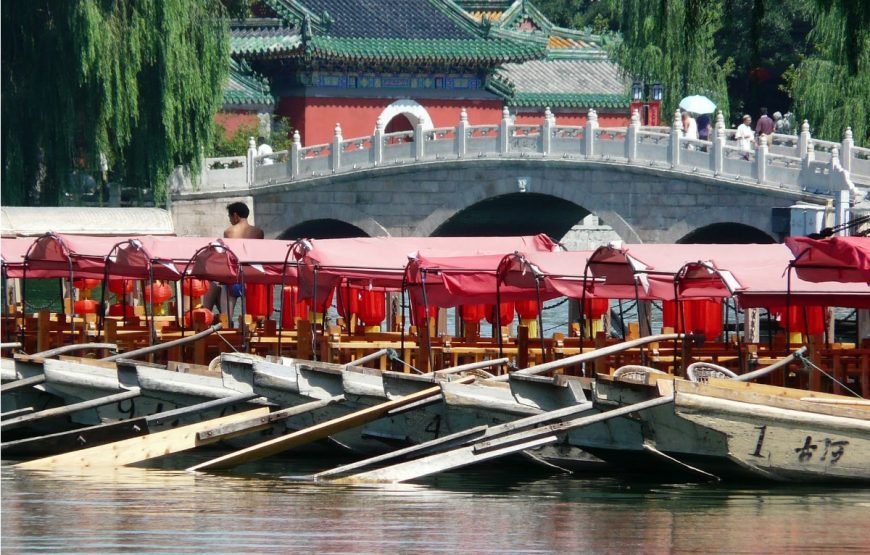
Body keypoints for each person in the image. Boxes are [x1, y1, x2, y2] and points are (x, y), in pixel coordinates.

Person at [202, 202, 265, 322]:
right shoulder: (259, 232)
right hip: (252, 278)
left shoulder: (229, 232)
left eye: (230, 217)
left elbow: (229, 256)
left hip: (234, 277)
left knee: (227, 315)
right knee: (253, 317)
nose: (230, 220)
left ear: (235, 216)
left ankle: (227, 331)